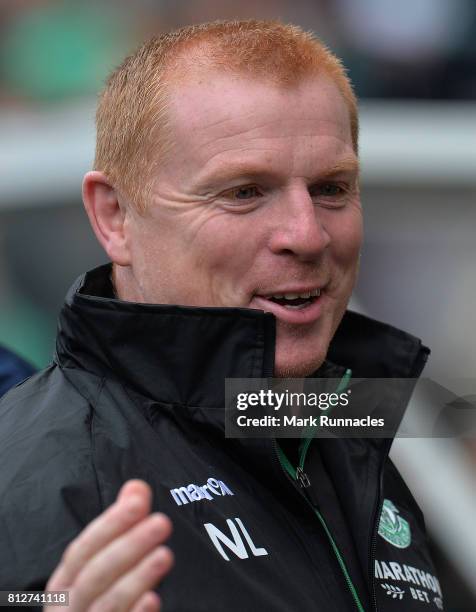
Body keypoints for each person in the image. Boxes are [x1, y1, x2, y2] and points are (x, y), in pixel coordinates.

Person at [0, 20, 443, 612]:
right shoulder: (31, 479)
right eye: (242, 192)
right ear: (114, 217)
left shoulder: (345, 423)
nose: (306, 235)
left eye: (331, 188)